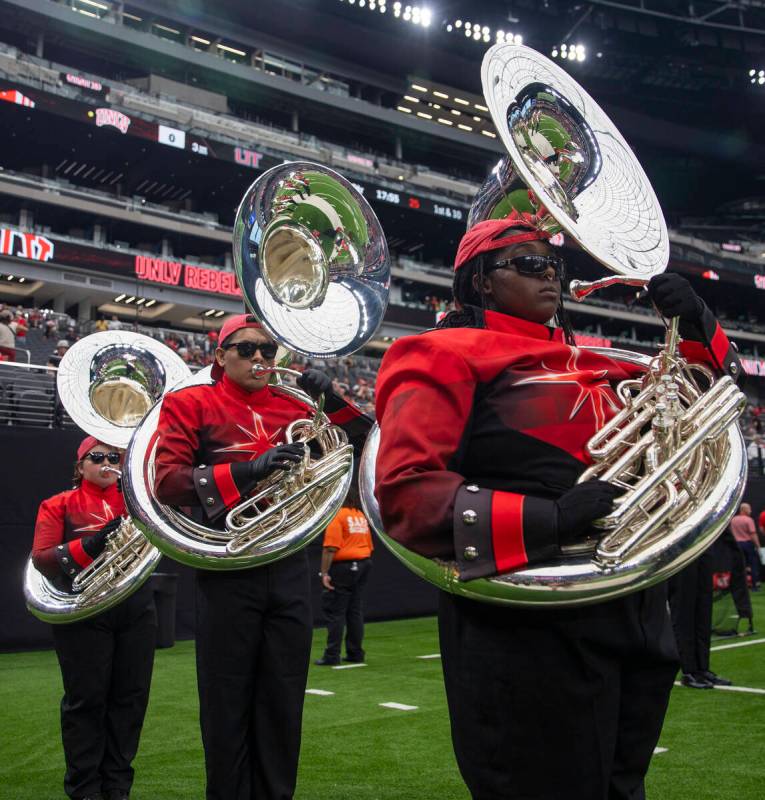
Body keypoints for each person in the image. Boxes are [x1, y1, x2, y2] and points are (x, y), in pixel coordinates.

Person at [373, 210, 742, 800]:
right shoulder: (440, 351)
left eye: (554, 265)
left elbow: (714, 405)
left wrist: (694, 323)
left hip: (635, 609)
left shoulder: (606, 360)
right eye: (527, 264)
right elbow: (406, 493)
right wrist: (554, 518)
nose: (550, 276)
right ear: (480, 281)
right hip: (528, 624)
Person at [153, 313, 371, 800]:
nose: (258, 359)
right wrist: (250, 469)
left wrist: (330, 398)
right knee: (226, 702)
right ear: (219, 355)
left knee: (283, 701)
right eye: (246, 349)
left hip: (289, 564)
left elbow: (368, 443)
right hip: (229, 565)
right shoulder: (191, 402)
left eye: (267, 352)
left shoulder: (295, 404)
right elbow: (166, 482)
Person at [31, 436, 156, 800]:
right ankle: (85, 788)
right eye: (96, 457)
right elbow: (42, 558)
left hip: (135, 605)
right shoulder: (60, 504)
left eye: (113, 456)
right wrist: (91, 544)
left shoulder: (137, 501)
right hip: (83, 610)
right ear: (80, 465)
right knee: (86, 699)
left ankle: (117, 786)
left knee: (130, 699)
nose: (106, 462)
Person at [315, 483, 374, 666]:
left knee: (336, 612)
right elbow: (369, 545)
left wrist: (324, 572)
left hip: (344, 567)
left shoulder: (337, 516)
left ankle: (332, 655)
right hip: (364, 563)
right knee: (355, 611)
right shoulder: (359, 515)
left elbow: (330, 548)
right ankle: (356, 652)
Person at [668, 549, 732, 689]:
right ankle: (688, 671)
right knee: (684, 612)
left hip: (702, 545)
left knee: (704, 609)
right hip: (682, 548)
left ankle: (703, 668)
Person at [730, 503, 761, 591]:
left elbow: (732, 533)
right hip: (747, 544)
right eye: (749, 509)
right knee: (753, 564)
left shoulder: (733, 520)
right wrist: (758, 546)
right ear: (743, 509)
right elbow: (753, 534)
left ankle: (738, 586)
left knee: (738, 566)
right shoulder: (749, 520)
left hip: (737, 544)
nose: (750, 511)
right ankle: (754, 586)